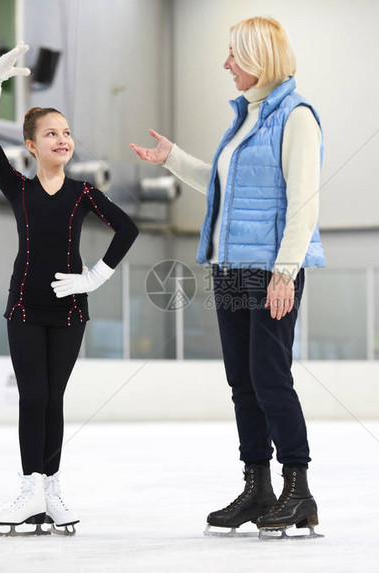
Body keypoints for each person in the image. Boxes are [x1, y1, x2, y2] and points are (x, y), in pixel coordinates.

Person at [130, 17, 325, 539]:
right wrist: (171, 159)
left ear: (258, 57)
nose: (226, 64)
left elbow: (304, 203)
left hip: (271, 271)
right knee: (242, 382)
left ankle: (298, 489)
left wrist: (286, 273)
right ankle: (258, 485)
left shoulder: (296, 117)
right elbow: (219, 186)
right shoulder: (244, 118)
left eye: (233, 55)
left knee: (270, 377)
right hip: (230, 267)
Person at [0, 43, 139, 536]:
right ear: (31, 144)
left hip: (70, 312)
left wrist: (95, 277)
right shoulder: (19, 188)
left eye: (67, 132)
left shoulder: (83, 193)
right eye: (51, 133)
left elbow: (128, 229)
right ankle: (31, 488)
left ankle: (51, 489)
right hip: (25, 307)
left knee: (55, 399)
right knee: (33, 395)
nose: (62, 138)